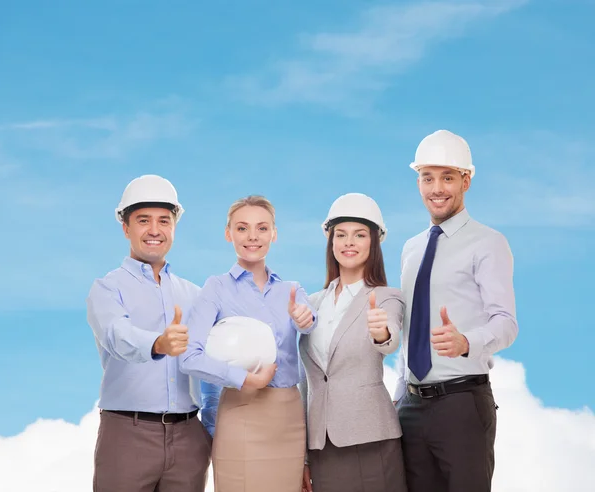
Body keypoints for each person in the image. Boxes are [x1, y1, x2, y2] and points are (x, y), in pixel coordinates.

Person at [392, 130, 519, 492]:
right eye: (427, 178)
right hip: (411, 406)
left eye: (447, 177)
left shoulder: (488, 243)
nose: (437, 188)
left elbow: (506, 324)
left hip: (461, 404)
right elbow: (410, 328)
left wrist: (466, 342)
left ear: (466, 180)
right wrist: (400, 394)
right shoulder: (411, 248)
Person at [86, 174, 219, 492]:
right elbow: (117, 336)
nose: (155, 230)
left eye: (164, 220)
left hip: (189, 436)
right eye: (143, 220)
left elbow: (213, 366)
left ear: (174, 227)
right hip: (127, 435)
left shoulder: (195, 295)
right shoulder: (107, 288)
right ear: (125, 227)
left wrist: (210, 431)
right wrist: (158, 343)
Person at [178, 195, 318, 492]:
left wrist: (304, 319)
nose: (253, 236)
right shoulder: (216, 288)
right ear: (228, 234)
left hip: (289, 419)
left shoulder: (292, 291)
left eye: (262, 228)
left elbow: (310, 323)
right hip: (240, 414)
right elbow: (189, 356)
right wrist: (243, 379)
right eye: (242, 228)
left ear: (274, 234)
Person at [299, 193, 408, 492]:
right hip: (321, 445)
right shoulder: (311, 304)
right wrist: (303, 458)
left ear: (373, 243)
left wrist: (381, 332)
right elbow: (305, 383)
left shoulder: (387, 297)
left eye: (359, 235)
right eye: (341, 235)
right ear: (330, 241)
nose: (349, 242)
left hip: (371, 438)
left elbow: (390, 338)